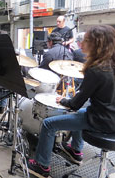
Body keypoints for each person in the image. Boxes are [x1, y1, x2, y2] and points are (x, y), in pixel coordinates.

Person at [28, 25, 115, 178]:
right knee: (82, 112)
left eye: (86, 40)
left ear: (96, 45)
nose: (81, 44)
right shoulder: (111, 65)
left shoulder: (96, 69)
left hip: (102, 121)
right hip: (110, 116)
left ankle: (42, 166)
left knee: (49, 124)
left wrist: (63, 100)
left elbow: (75, 104)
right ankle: (75, 150)